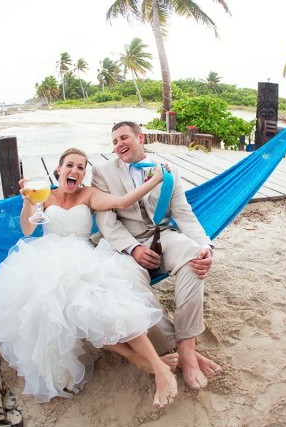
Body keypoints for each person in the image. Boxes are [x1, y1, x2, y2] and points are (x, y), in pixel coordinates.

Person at [0, 148, 178, 408]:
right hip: (48, 261)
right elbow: (28, 228)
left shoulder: (89, 194)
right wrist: (27, 203)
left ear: (84, 174)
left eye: (80, 167)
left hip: (84, 257)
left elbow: (121, 202)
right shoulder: (43, 196)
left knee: (105, 301)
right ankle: (140, 360)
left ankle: (156, 365)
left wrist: (154, 181)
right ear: (58, 170)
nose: (74, 170)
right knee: (63, 304)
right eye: (69, 165)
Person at [91, 121, 223, 390]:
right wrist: (134, 249)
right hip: (125, 245)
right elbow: (107, 222)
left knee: (192, 256)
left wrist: (206, 247)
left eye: (124, 137)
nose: (118, 145)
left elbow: (183, 213)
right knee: (129, 281)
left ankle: (187, 347)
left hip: (162, 235)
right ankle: (170, 347)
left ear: (140, 138)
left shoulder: (168, 171)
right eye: (114, 141)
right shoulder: (102, 172)